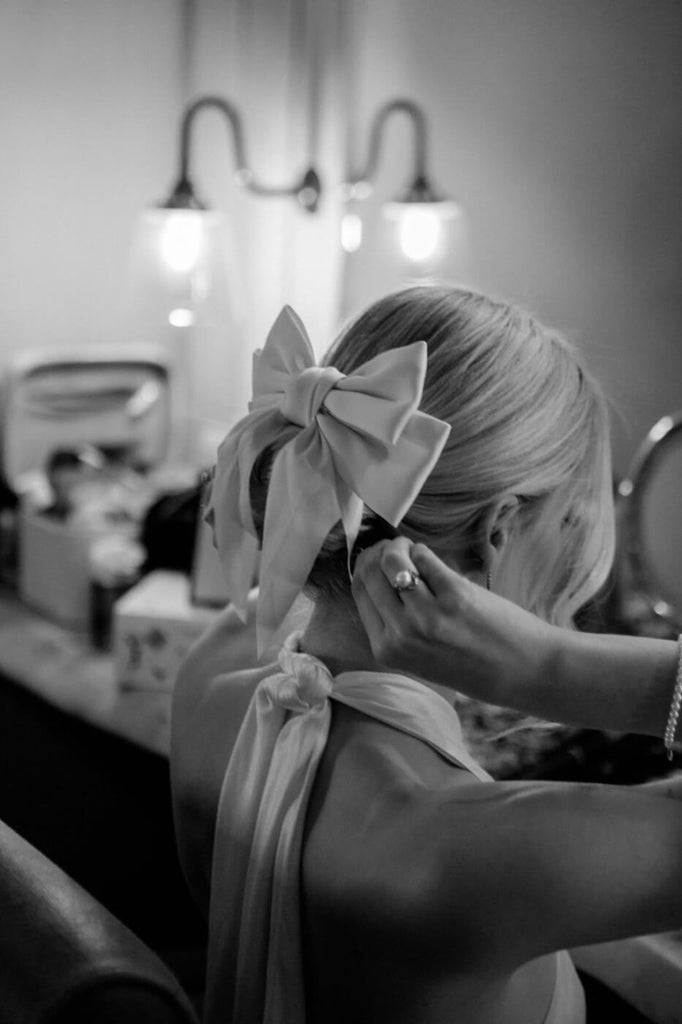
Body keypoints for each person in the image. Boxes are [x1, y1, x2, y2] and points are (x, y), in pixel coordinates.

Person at [171, 286, 682, 1024]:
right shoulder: (470, 850)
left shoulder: (210, 674)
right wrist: (550, 669)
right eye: (571, 518)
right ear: (499, 529)